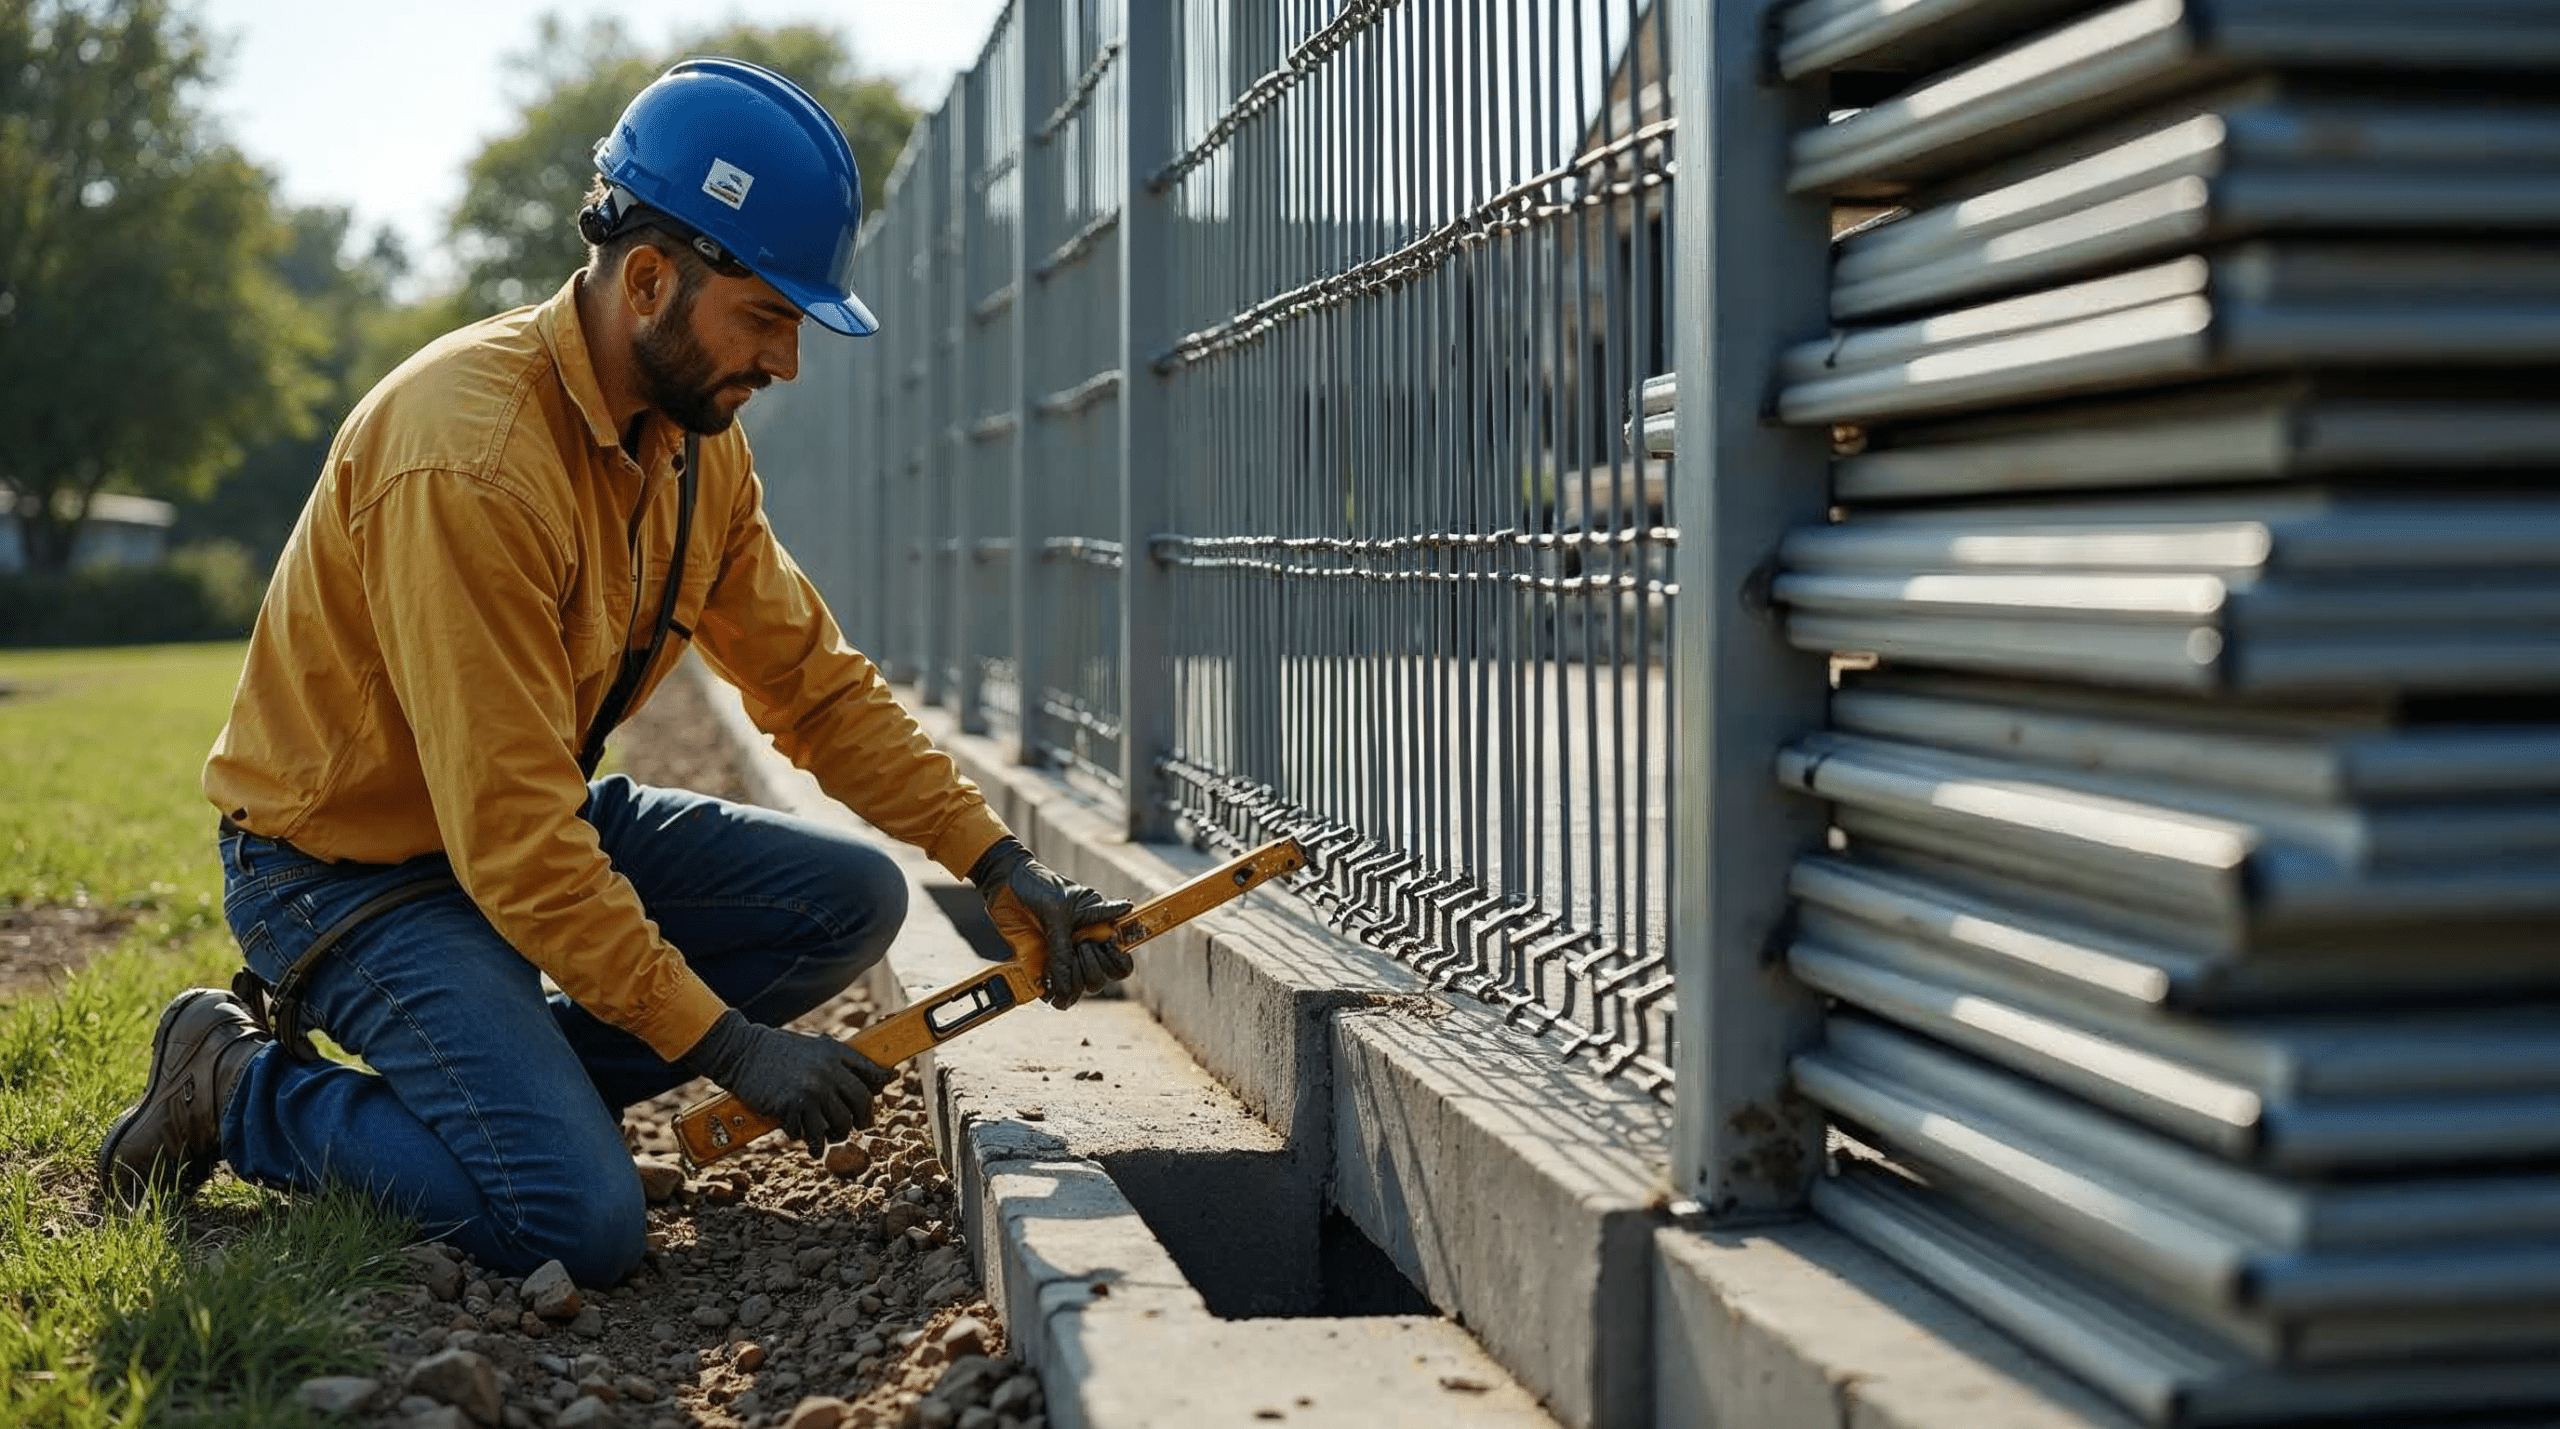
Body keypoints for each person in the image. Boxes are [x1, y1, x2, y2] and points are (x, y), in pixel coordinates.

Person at [94, 57, 1133, 1286]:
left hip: (507, 831)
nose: (787, 363)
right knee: (572, 1224)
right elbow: (514, 842)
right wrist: (733, 1048)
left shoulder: (697, 453)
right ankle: (238, 1085)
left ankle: (502, 1109)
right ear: (650, 279)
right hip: (344, 874)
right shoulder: (470, 463)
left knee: (848, 899)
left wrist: (997, 861)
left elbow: (811, 684)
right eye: (767, 318)